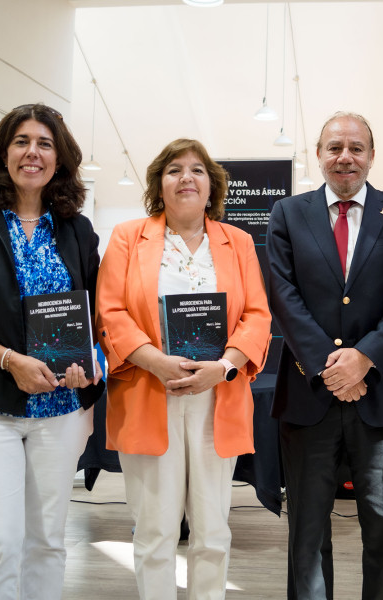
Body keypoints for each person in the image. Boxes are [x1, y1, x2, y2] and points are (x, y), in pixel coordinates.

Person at [0, 102, 104, 599]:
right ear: (3, 153)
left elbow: (97, 317)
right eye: (22, 141)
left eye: (45, 143)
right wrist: (10, 359)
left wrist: (94, 358)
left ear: (60, 158)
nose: (33, 152)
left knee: (48, 541)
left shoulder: (77, 230)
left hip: (62, 407)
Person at [96, 139, 271, 600]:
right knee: (154, 529)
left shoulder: (240, 243)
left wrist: (226, 366)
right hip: (150, 392)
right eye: (174, 170)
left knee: (213, 529)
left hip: (218, 396)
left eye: (197, 170)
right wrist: (154, 361)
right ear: (159, 184)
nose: (186, 178)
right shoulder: (127, 237)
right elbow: (110, 313)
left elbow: (257, 315)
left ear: (212, 186)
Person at [266, 112, 383, 600]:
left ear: (372, 156)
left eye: (356, 148)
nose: (345, 157)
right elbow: (282, 295)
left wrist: (365, 359)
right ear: (318, 155)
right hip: (308, 396)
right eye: (334, 147)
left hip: (380, 396)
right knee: (308, 531)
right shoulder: (288, 214)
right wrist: (330, 366)